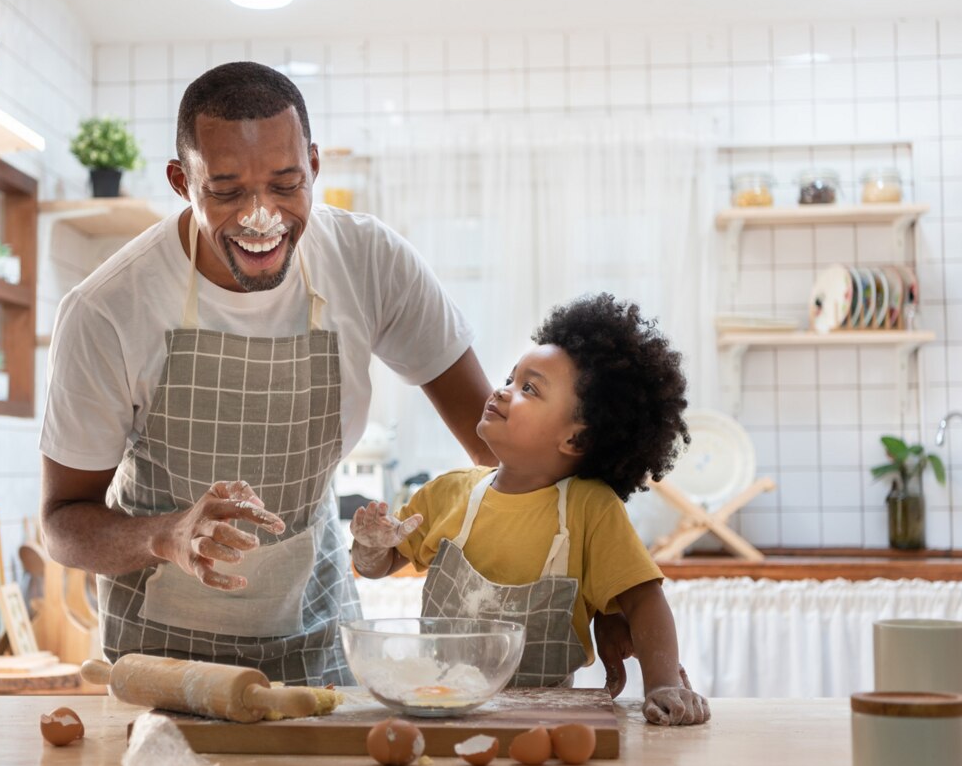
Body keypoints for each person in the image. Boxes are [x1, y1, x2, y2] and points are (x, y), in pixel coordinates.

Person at [37, 61, 496, 685]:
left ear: (313, 164)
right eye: (226, 191)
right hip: (161, 656)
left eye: (286, 184)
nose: (262, 216)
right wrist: (168, 535)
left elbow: (499, 452)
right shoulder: (108, 308)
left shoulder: (368, 261)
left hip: (316, 640)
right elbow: (63, 524)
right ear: (181, 181)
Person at [350, 293, 711, 725]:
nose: (502, 391)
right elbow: (380, 564)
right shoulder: (449, 493)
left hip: (544, 721)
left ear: (574, 439)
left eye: (529, 388)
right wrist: (370, 548)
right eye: (509, 378)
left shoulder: (589, 510)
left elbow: (644, 601)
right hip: (441, 710)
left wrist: (661, 683)